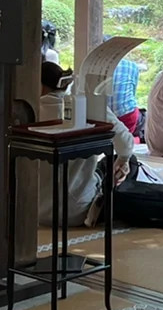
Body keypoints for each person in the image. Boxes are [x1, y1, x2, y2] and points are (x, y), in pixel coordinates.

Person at [33, 59, 134, 227]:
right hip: (78, 210)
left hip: (32, 210)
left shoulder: (26, 112)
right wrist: (123, 160)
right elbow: (125, 143)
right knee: (128, 164)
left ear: (40, 86)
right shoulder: (85, 108)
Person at [110, 50, 142, 137]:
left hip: (102, 118)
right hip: (126, 116)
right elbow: (133, 91)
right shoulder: (132, 66)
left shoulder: (94, 66)